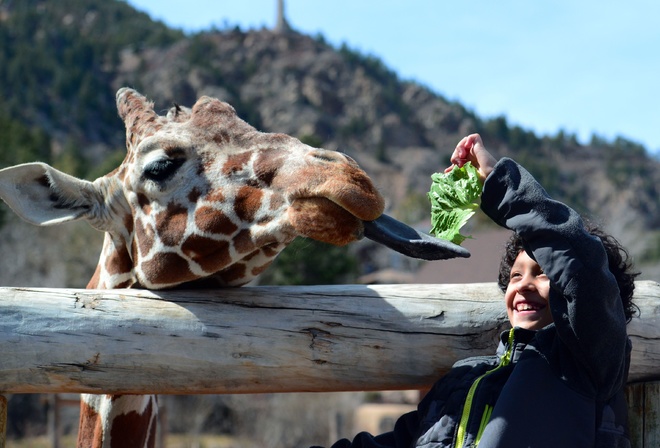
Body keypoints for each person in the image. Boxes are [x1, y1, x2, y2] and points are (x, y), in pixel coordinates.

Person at [317, 133, 639, 448]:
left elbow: (581, 266)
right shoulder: (462, 379)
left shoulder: (587, 364)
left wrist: (497, 181)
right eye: (515, 276)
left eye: (542, 273)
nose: (523, 284)